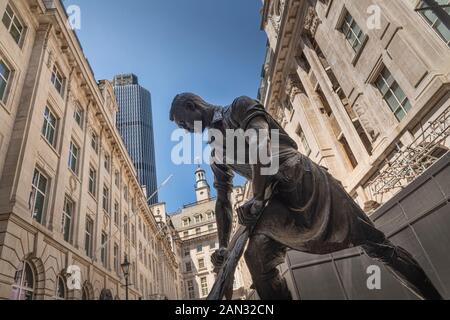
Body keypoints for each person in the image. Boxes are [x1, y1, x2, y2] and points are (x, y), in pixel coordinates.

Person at [169, 93, 442, 300]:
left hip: (301, 179)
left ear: (194, 106)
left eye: (183, 122)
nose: (184, 130)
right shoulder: (215, 153)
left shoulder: (238, 107)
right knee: (257, 258)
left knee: (376, 245)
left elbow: (261, 142)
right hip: (273, 198)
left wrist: (258, 197)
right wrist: (223, 245)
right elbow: (223, 202)